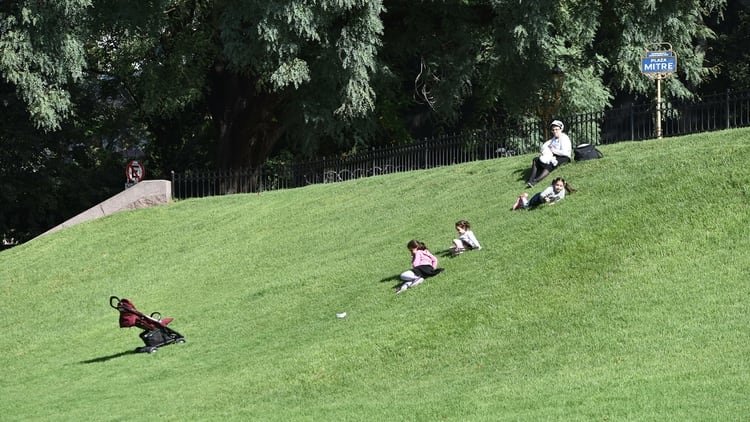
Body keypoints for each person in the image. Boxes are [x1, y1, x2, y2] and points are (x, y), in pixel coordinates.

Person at [526, 120, 572, 187]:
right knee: (536, 160)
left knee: (550, 164)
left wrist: (553, 151)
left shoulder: (564, 138)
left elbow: (565, 152)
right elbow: (546, 145)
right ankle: (531, 179)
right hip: (555, 155)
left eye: (556, 129)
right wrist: (543, 152)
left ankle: (536, 181)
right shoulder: (553, 139)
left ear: (561, 129)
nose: (555, 131)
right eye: (553, 130)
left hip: (564, 157)